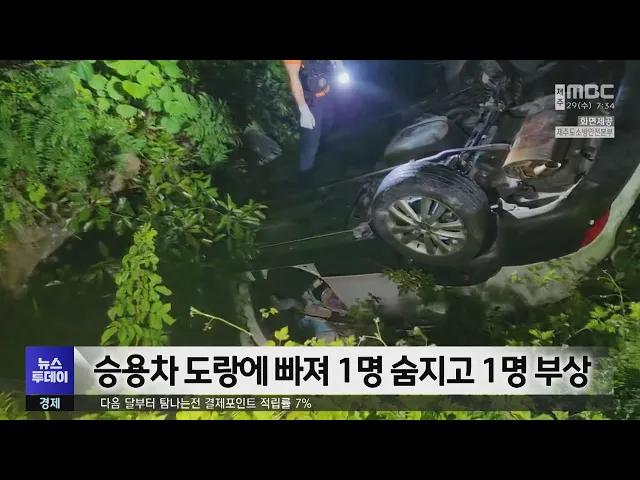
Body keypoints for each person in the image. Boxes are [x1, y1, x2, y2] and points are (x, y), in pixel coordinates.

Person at [282, 60, 345, 186]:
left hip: (327, 93)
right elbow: (294, 80)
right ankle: (304, 175)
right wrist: (303, 109)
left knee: (328, 124)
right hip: (311, 101)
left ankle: (321, 155)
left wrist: (339, 65)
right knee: (311, 140)